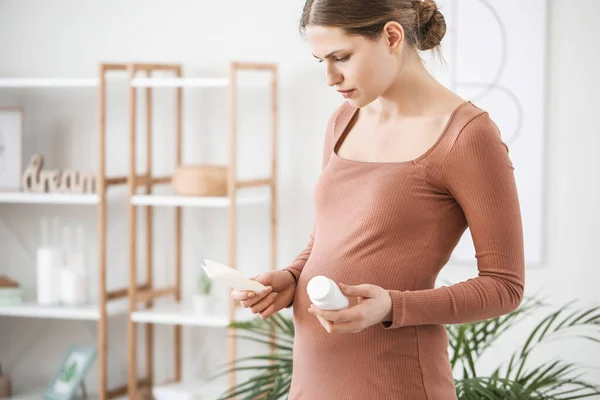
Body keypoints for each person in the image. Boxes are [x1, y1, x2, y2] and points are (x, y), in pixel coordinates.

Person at [231, 0, 525, 398]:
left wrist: (392, 306)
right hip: (313, 381)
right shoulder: (343, 120)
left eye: (342, 57)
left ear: (391, 36)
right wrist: (291, 278)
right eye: (321, 61)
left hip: (396, 382)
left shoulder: (467, 135)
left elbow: (504, 286)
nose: (331, 78)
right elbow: (327, 239)